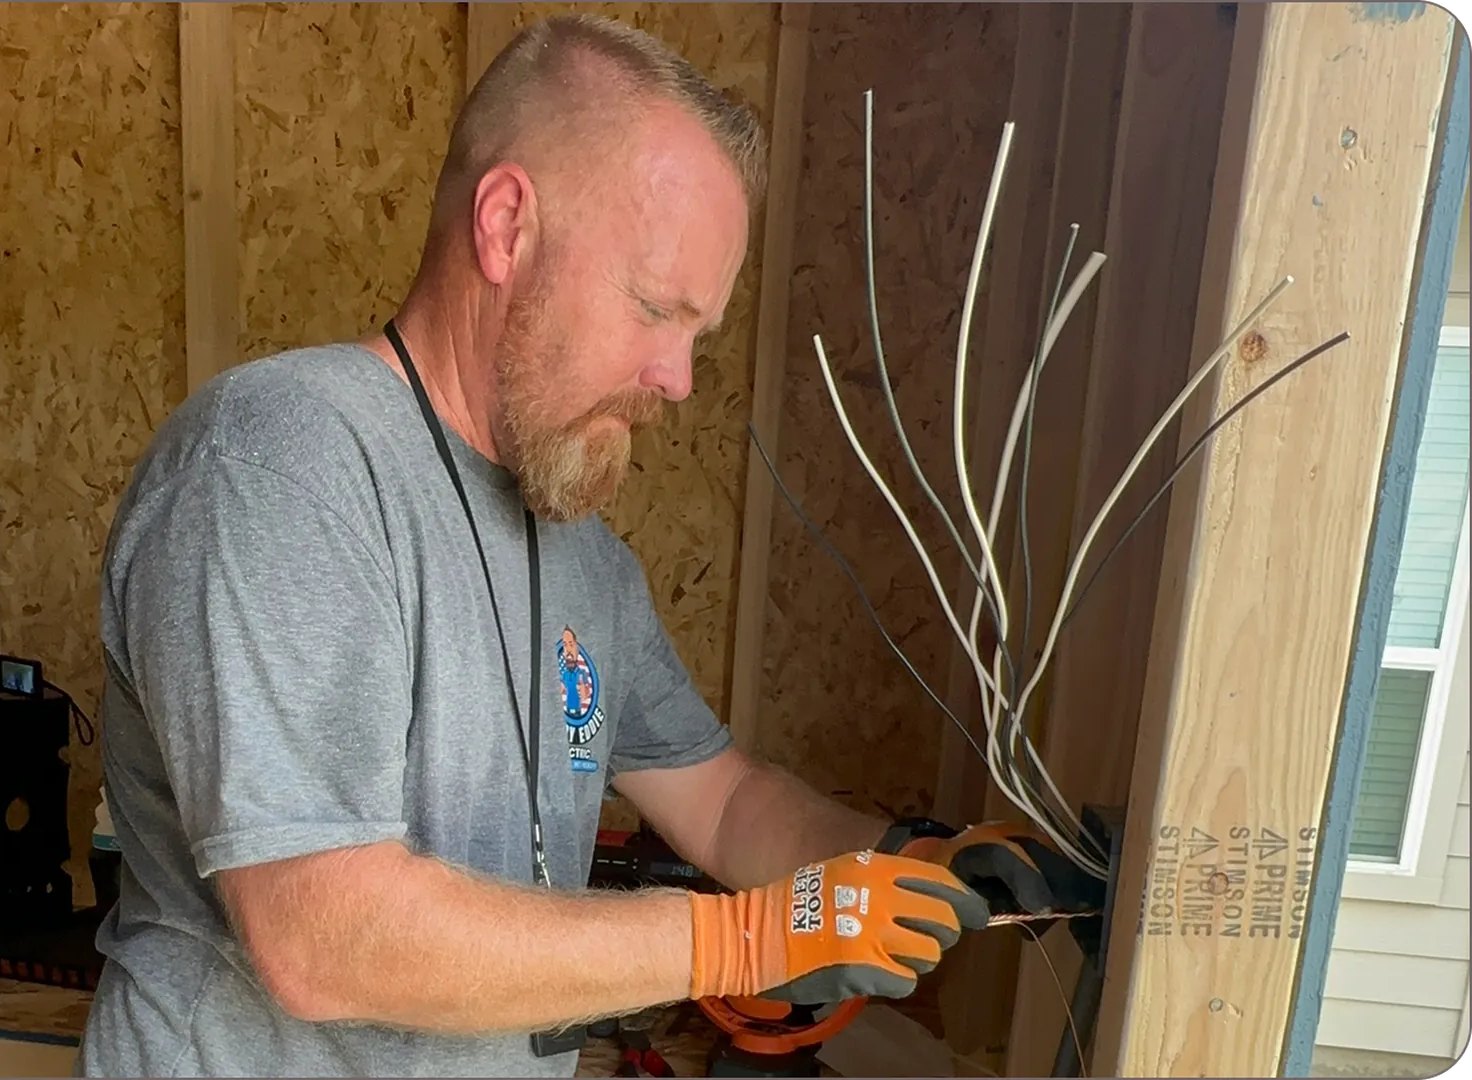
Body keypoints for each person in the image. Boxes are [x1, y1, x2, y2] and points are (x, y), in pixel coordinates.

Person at [74, 13, 1070, 1078]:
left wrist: (912, 864)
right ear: (506, 227)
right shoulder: (281, 467)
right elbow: (320, 934)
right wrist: (745, 940)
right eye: (653, 308)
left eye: (700, 333)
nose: (678, 379)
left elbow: (728, 805)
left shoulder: (584, 561)